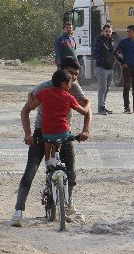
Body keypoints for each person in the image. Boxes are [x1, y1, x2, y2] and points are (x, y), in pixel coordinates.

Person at [11, 57, 91, 227]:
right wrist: (28, 134)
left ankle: (67, 203)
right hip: (42, 132)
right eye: (71, 74)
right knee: (30, 171)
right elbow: (26, 108)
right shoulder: (44, 87)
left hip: (63, 133)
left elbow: (85, 109)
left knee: (71, 170)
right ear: (60, 72)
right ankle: (18, 211)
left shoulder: (74, 87)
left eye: (76, 75)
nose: (74, 78)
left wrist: (86, 130)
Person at [32, 69, 89, 166]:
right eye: (69, 83)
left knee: (48, 143)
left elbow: (31, 106)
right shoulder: (69, 97)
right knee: (57, 146)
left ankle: (48, 164)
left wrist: (30, 96)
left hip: (46, 131)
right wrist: (88, 103)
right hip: (63, 132)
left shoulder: (44, 93)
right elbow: (84, 111)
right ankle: (55, 158)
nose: (71, 86)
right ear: (63, 84)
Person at [114, 24, 134, 113]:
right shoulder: (124, 42)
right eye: (127, 31)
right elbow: (115, 52)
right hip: (127, 68)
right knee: (127, 87)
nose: (128, 33)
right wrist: (122, 62)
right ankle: (127, 107)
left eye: (130, 31)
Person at [93, 24, 116, 115]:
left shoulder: (111, 41)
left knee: (107, 88)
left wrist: (112, 62)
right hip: (101, 67)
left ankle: (103, 106)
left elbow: (112, 53)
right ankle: (100, 108)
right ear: (103, 31)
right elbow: (95, 54)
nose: (108, 33)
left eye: (109, 31)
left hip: (110, 68)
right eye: (106, 31)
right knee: (102, 88)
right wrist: (104, 62)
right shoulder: (99, 40)